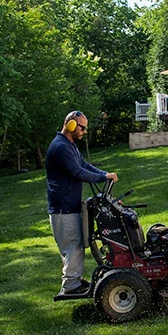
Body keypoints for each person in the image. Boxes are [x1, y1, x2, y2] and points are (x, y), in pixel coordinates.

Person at [45, 110, 117, 295]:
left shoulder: (70, 145)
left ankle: (74, 282)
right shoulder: (60, 147)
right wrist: (103, 178)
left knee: (76, 244)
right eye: (82, 127)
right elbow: (78, 172)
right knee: (73, 245)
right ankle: (70, 286)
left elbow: (84, 165)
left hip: (69, 205)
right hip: (63, 208)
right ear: (70, 125)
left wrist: (104, 174)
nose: (84, 131)